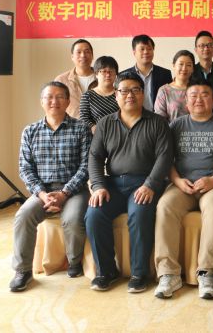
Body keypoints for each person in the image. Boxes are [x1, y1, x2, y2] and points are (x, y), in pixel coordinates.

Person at [85, 71, 172, 293]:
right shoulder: (105, 123)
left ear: (143, 93)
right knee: (94, 214)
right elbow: (95, 157)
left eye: (135, 90)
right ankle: (106, 271)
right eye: (124, 91)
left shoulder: (158, 122)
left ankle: (139, 273)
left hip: (144, 183)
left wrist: (150, 185)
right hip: (112, 184)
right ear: (116, 95)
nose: (130, 95)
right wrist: (98, 186)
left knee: (140, 213)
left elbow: (164, 157)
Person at [154, 80, 213, 300]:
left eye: (204, 94)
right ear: (186, 101)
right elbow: (166, 160)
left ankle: (206, 272)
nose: (199, 99)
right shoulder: (175, 126)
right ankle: (168, 273)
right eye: (193, 95)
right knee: (164, 206)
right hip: (182, 184)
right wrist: (177, 180)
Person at [10, 81, 92, 292]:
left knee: (72, 219)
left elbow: (86, 167)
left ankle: (74, 262)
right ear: (42, 102)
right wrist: (42, 194)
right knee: (23, 216)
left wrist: (64, 193)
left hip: (74, 190)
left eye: (59, 97)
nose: (54, 101)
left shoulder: (81, 129)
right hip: (42, 190)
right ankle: (23, 271)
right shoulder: (30, 131)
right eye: (49, 97)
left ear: (68, 101)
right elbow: (25, 168)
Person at [121, 34, 172, 112]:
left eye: (149, 49)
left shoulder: (165, 74)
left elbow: (169, 101)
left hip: (157, 117)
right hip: (132, 116)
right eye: (142, 49)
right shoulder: (124, 75)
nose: (146, 52)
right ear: (134, 52)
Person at [54, 39, 95, 118]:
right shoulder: (61, 80)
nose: (83, 55)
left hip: (99, 125)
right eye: (78, 52)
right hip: (70, 125)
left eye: (87, 52)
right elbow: (56, 106)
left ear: (92, 56)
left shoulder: (102, 78)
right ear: (72, 57)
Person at [79, 56, 119, 134]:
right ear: (96, 74)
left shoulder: (121, 93)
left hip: (119, 134)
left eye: (111, 71)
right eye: (104, 71)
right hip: (97, 136)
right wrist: (93, 127)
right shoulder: (87, 96)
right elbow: (83, 118)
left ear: (116, 74)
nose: (108, 75)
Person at [154, 50, 195, 122]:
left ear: (192, 69)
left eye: (188, 65)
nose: (184, 68)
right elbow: (159, 119)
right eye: (181, 64)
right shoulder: (164, 91)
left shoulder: (197, 89)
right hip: (170, 129)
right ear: (173, 65)